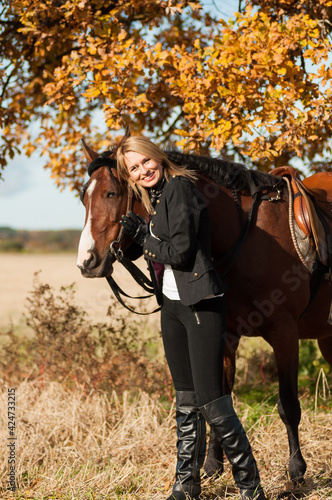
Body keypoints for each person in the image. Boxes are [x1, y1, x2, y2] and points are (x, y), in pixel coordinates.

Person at [117, 135, 266, 500]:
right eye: (134, 168)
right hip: (173, 306)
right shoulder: (156, 196)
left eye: (145, 162)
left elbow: (180, 253)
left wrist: (143, 236)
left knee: (213, 403)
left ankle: (251, 489)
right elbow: (161, 248)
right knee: (185, 402)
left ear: (156, 156)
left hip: (201, 304)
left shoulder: (180, 189)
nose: (143, 170)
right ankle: (186, 484)